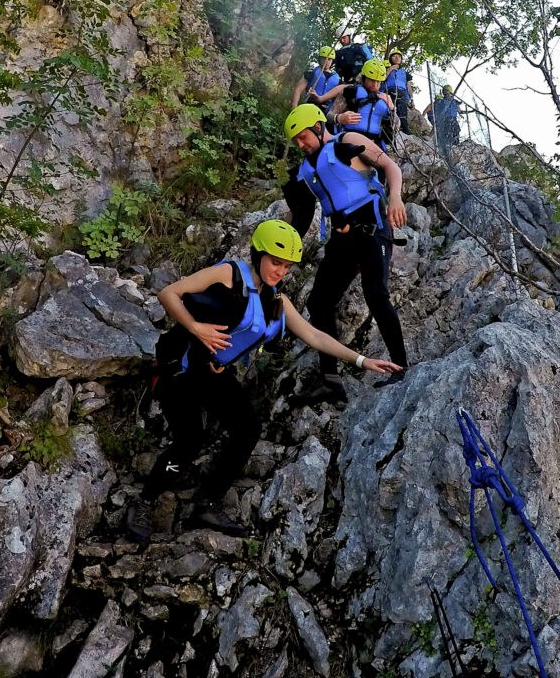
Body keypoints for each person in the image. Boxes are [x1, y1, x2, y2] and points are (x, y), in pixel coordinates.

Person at [127, 219, 402, 541]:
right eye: (275, 262)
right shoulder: (229, 274)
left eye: (286, 266)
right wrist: (196, 327)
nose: (280, 271)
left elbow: (314, 336)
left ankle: (208, 502)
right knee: (190, 437)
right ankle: (143, 503)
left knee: (248, 429)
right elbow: (168, 293)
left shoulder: (276, 303)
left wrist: (362, 360)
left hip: (214, 372)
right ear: (258, 255)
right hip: (180, 367)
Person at [282, 104, 409, 404]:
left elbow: (391, 168)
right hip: (341, 238)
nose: (300, 145)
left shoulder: (348, 139)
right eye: (295, 142)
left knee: (376, 294)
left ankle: (401, 368)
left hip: (372, 229)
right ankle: (330, 381)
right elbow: (301, 219)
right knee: (319, 301)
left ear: (316, 127)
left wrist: (395, 197)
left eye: (303, 138)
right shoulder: (305, 170)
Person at [312, 59, 394, 149]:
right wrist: (339, 118)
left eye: (378, 81)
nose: (375, 84)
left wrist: (392, 108)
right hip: (350, 140)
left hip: (374, 144)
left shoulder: (385, 99)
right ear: (364, 77)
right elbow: (328, 116)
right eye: (372, 80)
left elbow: (396, 127)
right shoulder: (351, 92)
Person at [291, 46, 341, 113]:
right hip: (310, 106)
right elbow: (298, 90)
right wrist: (294, 108)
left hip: (327, 110)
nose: (327, 61)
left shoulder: (337, 78)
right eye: (324, 58)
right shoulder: (312, 72)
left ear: (332, 61)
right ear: (320, 59)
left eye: (329, 59)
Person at [382, 50, 414, 135]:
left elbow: (409, 86)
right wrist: (390, 69)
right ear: (390, 58)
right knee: (389, 112)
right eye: (394, 56)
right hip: (389, 91)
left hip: (402, 93)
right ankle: (388, 131)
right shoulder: (385, 69)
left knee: (402, 113)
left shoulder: (405, 73)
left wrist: (411, 99)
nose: (396, 58)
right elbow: (382, 78)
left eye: (399, 56)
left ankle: (404, 132)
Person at [425, 84, 463, 153]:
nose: (446, 95)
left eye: (447, 92)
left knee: (456, 130)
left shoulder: (453, 101)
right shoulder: (443, 101)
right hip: (446, 119)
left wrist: (464, 112)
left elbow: (459, 110)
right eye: (445, 93)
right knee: (448, 131)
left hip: (453, 119)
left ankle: (455, 145)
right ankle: (448, 146)